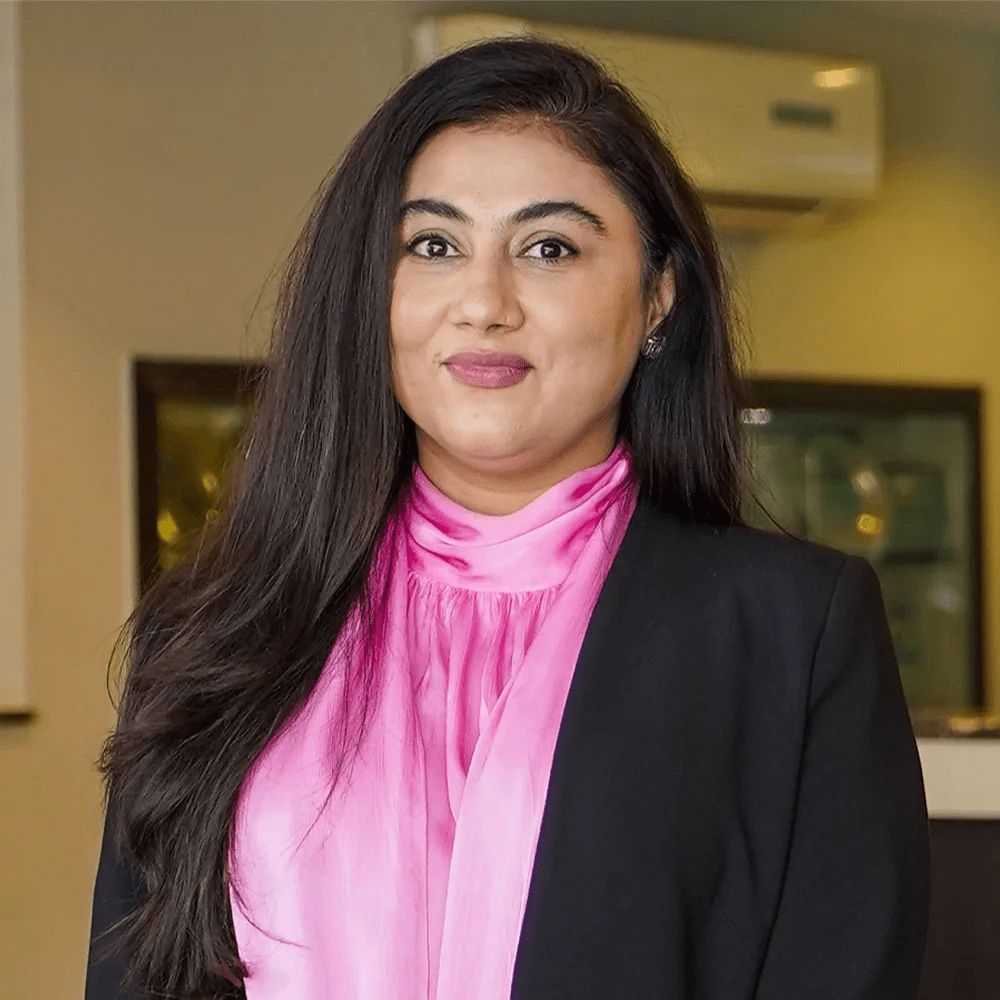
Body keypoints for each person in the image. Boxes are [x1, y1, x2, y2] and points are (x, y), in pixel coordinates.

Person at [85, 36, 929, 1000]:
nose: (484, 304)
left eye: (549, 248)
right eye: (433, 246)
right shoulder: (212, 629)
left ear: (658, 296)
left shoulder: (791, 631)